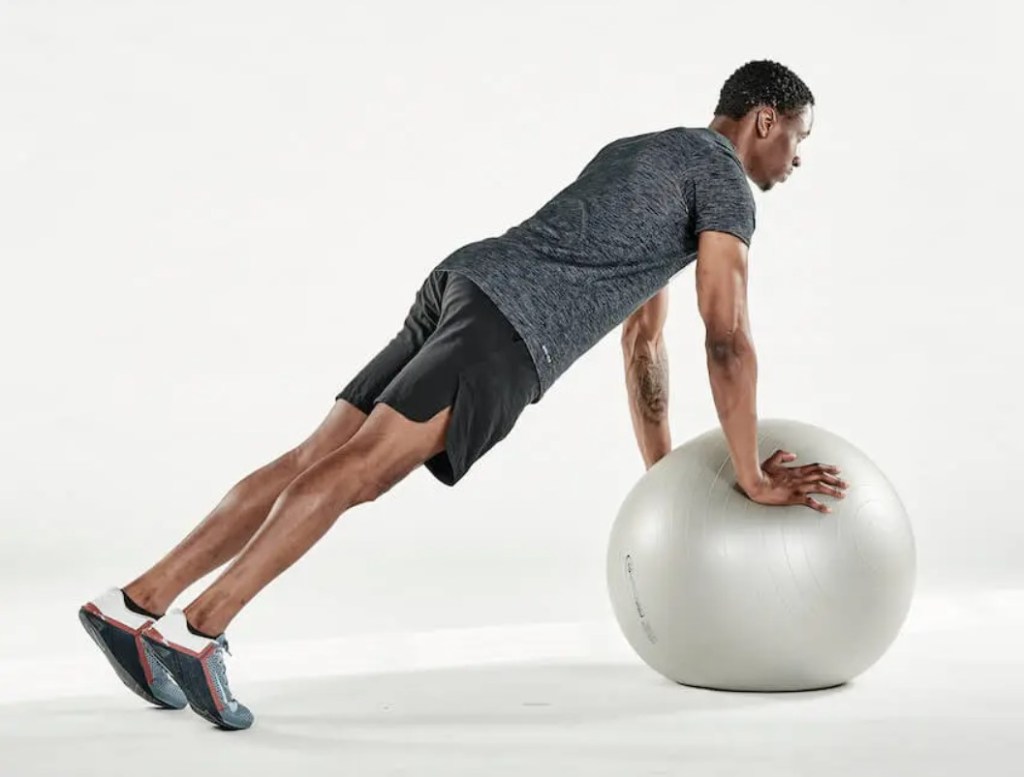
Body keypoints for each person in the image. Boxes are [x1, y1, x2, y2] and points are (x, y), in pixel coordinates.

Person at [78, 59, 849, 730]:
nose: (798, 159)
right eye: (799, 139)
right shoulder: (726, 186)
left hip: (466, 282)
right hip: (509, 326)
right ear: (763, 120)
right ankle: (202, 626)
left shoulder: (645, 152)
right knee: (360, 471)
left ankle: (137, 604)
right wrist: (748, 474)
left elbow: (643, 342)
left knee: (316, 456)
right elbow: (727, 337)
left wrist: (663, 477)